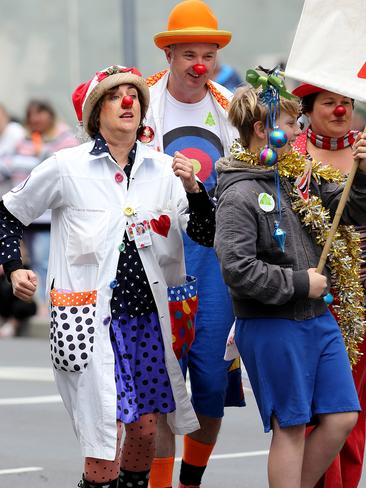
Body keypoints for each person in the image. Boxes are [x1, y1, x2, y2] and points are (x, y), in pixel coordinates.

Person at [0, 65, 216, 488]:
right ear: (96, 113)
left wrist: (194, 189)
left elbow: (205, 234)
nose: (128, 103)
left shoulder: (166, 169)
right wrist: (15, 267)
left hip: (149, 324)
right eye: (116, 96)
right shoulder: (66, 166)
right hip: (90, 321)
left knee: (146, 431)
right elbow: (8, 213)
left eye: (133, 96)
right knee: (103, 438)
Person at [214, 83, 366, 487]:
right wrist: (301, 283)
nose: (298, 131)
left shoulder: (302, 178)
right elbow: (237, 268)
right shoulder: (239, 192)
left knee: (342, 418)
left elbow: (350, 210)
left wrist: (363, 174)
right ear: (264, 129)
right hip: (272, 324)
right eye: (289, 123)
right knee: (293, 426)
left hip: (317, 319)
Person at [145, 2, 244, 487]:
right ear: (169, 54)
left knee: (209, 381)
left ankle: (190, 481)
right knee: (162, 382)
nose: (199, 64)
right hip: (153, 255)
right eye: (189, 53)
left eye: (208, 53)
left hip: (214, 260)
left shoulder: (230, 106)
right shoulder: (138, 100)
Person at [293, 82, 366, 488]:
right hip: (314, 303)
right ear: (308, 108)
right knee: (320, 412)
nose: (340, 111)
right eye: (329, 103)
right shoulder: (293, 155)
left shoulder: (364, 151)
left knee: (354, 415)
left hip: (363, 301)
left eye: (346, 103)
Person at [8, 99, 79, 308]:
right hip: (27, 214)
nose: (36, 119)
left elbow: (57, 168)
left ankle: (47, 304)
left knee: (44, 260)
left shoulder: (63, 137)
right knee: (31, 261)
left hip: (49, 216)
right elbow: (12, 164)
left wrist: (34, 163)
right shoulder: (25, 139)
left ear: (50, 114)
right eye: (32, 114)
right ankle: (38, 303)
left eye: (40, 113)